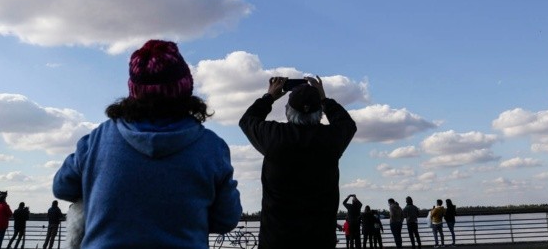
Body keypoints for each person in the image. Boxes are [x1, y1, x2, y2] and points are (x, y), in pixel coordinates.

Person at [53, 40, 241, 248]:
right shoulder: (212, 148)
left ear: (134, 91)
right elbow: (226, 219)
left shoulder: (97, 139)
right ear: (185, 88)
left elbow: (62, 187)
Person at [240, 75, 357, 248]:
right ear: (320, 113)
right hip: (320, 241)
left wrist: (269, 97)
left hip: (276, 241)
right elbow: (347, 124)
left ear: (288, 111)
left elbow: (247, 120)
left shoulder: (274, 137)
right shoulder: (330, 139)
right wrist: (324, 99)